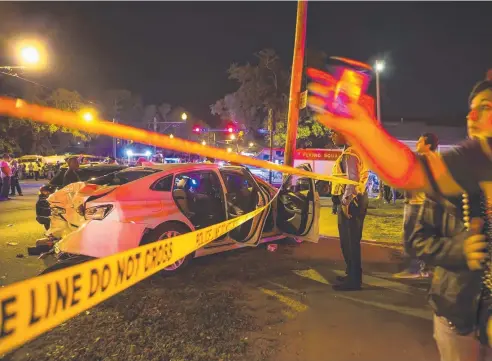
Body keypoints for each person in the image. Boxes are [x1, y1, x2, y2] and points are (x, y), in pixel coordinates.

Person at [308, 70, 492, 355]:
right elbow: (408, 174)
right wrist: (363, 129)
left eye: (486, 108)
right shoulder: (471, 159)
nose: (471, 118)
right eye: (471, 110)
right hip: (460, 315)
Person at [394, 132, 439, 279]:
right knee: (421, 236)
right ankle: (425, 268)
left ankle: (414, 269)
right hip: (418, 202)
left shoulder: (425, 161)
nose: (417, 144)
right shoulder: (430, 161)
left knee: (411, 236)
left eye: (420, 142)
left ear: (428, 145)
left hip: (417, 204)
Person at [330, 130, 369, 291]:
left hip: (352, 200)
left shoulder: (351, 153)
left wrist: (345, 202)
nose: (332, 136)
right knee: (351, 240)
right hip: (357, 198)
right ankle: (351, 273)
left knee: (350, 242)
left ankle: (353, 280)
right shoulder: (356, 151)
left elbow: (352, 180)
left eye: (334, 133)